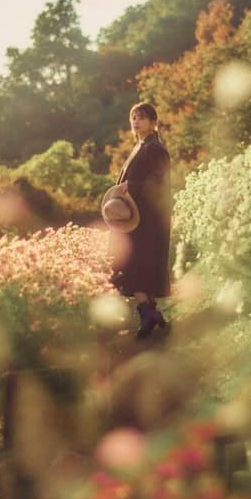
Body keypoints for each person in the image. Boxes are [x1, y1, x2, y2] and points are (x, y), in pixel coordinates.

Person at [110, 102, 172, 339]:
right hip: (135, 217)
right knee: (135, 265)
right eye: (133, 118)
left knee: (134, 265)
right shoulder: (140, 146)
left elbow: (158, 185)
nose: (136, 122)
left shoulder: (155, 149)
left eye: (142, 118)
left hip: (147, 219)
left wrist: (131, 187)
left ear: (153, 122)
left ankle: (147, 313)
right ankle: (151, 314)